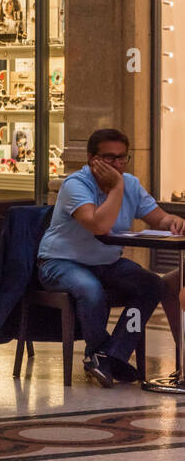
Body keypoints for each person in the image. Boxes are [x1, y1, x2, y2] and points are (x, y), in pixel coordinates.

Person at [36, 129, 182, 386]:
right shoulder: (76, 185)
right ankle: (101, 354)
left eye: (122, 158)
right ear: (92, 158)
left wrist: (173, 221)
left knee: (152, 285)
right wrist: (116, 188)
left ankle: (110, 355)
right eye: (108, 158)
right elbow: (99, 226)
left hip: (106, 263)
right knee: (91, 289)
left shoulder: (131, 184)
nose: (116, 165)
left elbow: (158, 217)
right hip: (60, 262)